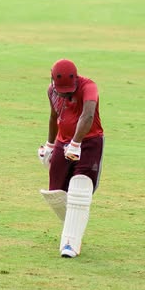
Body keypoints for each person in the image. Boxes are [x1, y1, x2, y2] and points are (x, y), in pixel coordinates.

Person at [37, 59, 104, 258]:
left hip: (90, 141)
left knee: (79, 187)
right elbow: (53, 117)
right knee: (55, 194)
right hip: (62, 141)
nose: (65, 94)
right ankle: (76, 223)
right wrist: (49, 146)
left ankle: (70, 244)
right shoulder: (51, 91)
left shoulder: (89, 87)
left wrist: (76, 143)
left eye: (69, 91)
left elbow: (87, 115)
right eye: (62, 91)